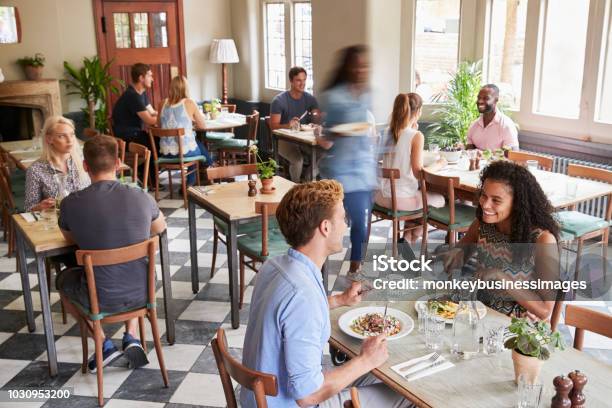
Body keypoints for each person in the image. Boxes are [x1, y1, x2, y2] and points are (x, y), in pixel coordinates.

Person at [241, 180, 413, 408]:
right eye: (342, 218)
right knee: (405, 394)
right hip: (289, 404)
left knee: (385, 374)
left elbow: (290, 314)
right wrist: (365, 359)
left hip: (259, 398)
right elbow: (308, 396)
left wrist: (340, 300)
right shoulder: (303, 295)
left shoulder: (274, 266)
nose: (345, 225)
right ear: (325, 227)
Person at [57, 135, 167, 372]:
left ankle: (103, 343)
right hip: (143, 290)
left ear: (85, 166)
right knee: (133, 266)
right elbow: (160, 228)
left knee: (63, 281)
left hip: (100, 296)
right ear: (118, 163)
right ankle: (131, 336)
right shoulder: (141, 196)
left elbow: (70, 239)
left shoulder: (70, 204)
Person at [444, 160, 559, 320]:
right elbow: (460, 256)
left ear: (518, 204)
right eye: (484, 195)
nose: (485, 205)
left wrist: (501, 277)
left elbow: (545, 311)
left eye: (496, 200)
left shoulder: (542, 240)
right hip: (478, 311)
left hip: (517, 323)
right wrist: (453, 256)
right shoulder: (482, 224)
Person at [317, 45, 378, 274]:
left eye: (365, 66)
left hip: (363, 170)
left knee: (361, 224)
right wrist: (339, 131)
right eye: (358, 65)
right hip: (339, 171)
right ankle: (317, 264)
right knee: (330, 224)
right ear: (348, 67)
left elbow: (367, 134)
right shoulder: (333, 96)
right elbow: (327, 133)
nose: (362, 70)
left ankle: (355, 268)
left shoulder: (368, 94)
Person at [376, 93, 447, 243]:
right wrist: (440, 163)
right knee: (440, 199)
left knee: (420, 197)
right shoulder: (416, 136)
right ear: (419, 111)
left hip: (380, 196)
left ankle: (407, 239)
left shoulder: (387, 131)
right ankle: (412, 236)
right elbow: (418, 173)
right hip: (400, 200)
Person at [25, 116, 90, 211]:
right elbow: (29, 208)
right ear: (49, 139)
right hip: (57, 221)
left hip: (87, 215)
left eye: (72, 134)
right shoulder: (35, 170)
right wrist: (40, 207)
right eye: (62, 136)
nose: (70, 140)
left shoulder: (84, 160)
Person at [269, 66, 320, 182]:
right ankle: (294, 188)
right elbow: (273, 126)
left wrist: (317, 119)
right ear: (291, 81)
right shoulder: (279, 101)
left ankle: (308, 180)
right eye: (298, 80)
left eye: (304, 80)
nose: (302, 84)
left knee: (323, 155)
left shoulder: (310, 99)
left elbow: (317, 117)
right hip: (283, 140)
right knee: (298, 161)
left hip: (304, 140)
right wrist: (288, 125)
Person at [158, 75, 212, 185]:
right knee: (192, 146)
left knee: (192, 143)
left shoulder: (162, 103)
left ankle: (208, 165)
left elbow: (159, 125)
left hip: (165, 152)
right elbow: (203, 126)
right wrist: (191, 124)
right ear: (185, 88)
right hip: (183, 153)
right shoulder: (189, 103)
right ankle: (189, 184)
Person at [112, 63, 158, 183]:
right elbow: (149, 120)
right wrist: (166, 117)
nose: (152, 79)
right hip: (127, 138)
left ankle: (148, 176)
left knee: (156, 140)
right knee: (156, 143)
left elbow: (152, 112)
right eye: (149, 76)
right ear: (141, 78)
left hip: (133, 134)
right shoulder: (132, 96)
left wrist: (165, 113)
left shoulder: (141, 94)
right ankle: (149, 178)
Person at [466, 84, 519, 151]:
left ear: (496, 100)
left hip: (497, 162)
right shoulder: (474, 125)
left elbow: (513, 155)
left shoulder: (506, 125)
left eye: (486, 98)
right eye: (479, 98)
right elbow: (469, 152)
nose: (480, 101)